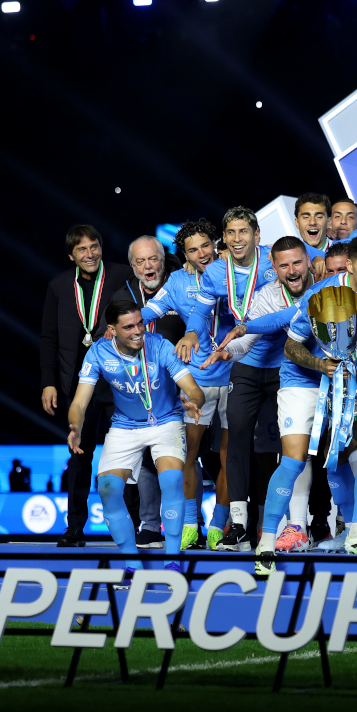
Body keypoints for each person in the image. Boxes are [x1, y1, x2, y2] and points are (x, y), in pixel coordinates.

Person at [278, 233, 357, 565]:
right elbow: (291, 346)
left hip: (346, 381)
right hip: (304, 380)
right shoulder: (321, 292)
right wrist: (320, 365)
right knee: (307, 458)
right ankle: (286, 531)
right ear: (349, 264)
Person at [69, 299, 205, 579]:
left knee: (170, 480)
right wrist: (75, 427)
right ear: (112, 330)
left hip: (166, 420)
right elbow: (80, 403)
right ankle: (131, 562)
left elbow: (193, 388)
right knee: (107, 489)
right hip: (126, 425)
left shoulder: (160, 346)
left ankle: (172, 560)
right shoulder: (98, 352)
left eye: (140, 323)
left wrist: (192, 400)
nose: (137, 331)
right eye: (128, 327)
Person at [186, 209, 281, 550]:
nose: (237, 238)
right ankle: (238, 524)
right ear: (223, 239)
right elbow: (200, 310)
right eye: (231, 232)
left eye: (244, 231)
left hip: (284, 364)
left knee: (283, 446)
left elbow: (317, 259)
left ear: (257, 233)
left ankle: (290, 524)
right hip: (242, 362)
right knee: (238, 442)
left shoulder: (276, 260)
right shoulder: (215, 270)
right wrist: (191, 333)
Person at [139, 219, 235, 550]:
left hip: (236, 374)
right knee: (187, 454)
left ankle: (220, 526)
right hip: (198, 379)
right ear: (184, 254)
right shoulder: (177, 283)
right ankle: (191, 525)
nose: (201, 253)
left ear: (216, 244)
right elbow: (150, 310)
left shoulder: (235, 273)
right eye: (192, 249)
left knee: (228, 456)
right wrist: (122, 324)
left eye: (205, 245)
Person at [40, 224, 129, 547]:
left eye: (94, 247)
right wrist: (48, 383)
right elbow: (49, 337)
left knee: (127, 455)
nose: (89, 254)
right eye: (82, 250)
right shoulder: (60, 286)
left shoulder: (121, 275)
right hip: (80, 385)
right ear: (71, 255)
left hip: (122, 381)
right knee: (79, 454)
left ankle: (135, 527)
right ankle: (74, 527)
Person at [113, 235, 186, 549]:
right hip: (141, 392)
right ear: (133, 266)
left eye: (153, 259)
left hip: (182, 387)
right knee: (144, 459)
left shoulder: (182, 287)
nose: (147, 267)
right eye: (140, 261)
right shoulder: (122, 297)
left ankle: (192, 525)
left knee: (193, 456)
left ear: (163, 259)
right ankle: (151, 525)